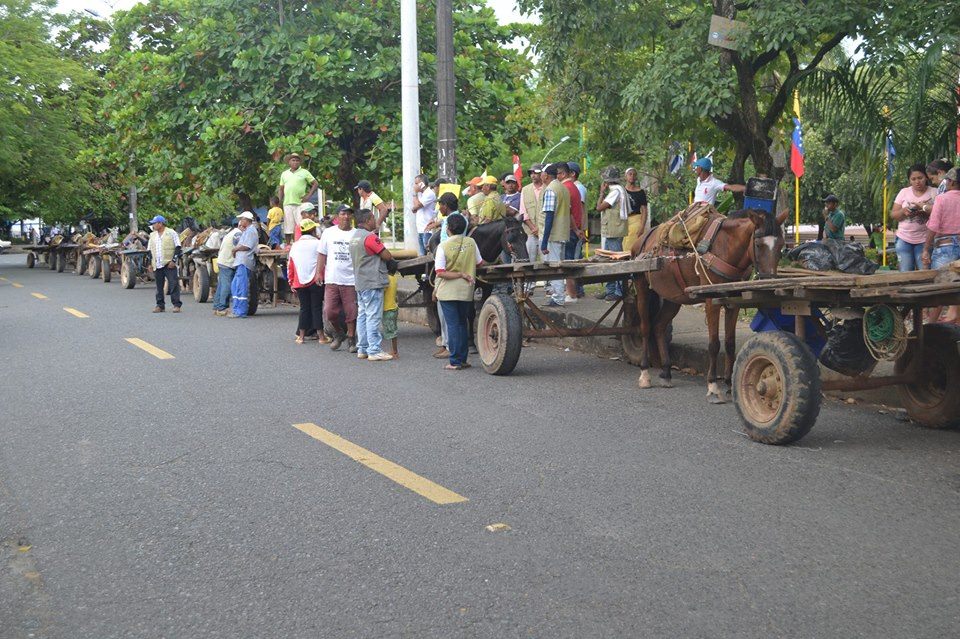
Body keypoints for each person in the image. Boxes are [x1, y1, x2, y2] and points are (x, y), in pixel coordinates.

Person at [435, 214, 484, 370]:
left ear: (448, 229)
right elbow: (480, 263)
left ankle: (455, 361)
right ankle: (462, 359)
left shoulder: (443, 246)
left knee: (453, 326)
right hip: (466, 291)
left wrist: (459, 274)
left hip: (447, 292)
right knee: (463, 324)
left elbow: (440, 272)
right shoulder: (471, 242)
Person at [424, 192, 468, 359]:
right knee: (458, 318)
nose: (439, 208)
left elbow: (443, 245)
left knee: (446, 313)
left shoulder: (452, 222)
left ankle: (450, 346)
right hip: (459, 266)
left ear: (446, 205)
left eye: (440, 205)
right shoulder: (459, 219)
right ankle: (452, 347)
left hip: (446, 266)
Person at [349, 209, 397, 361]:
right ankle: (374, 350)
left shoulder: (354, 237)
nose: (375, 221)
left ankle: (362, 348)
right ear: (368, 220)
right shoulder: (370, 237)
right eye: (373, 218)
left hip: (361, 282)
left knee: (362, 316)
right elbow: (386, 255)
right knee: (373, 316)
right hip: (372, 281)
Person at [922, 167, 960, 320]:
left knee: (939, 290)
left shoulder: (942, 199)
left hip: (945, 246)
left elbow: (933, 225)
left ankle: (930, 326)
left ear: (950, 182)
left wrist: (926, 249)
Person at [318, 204, 358, 351]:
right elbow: (322, 254)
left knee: (351, 311)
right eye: (343, 214)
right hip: (332, 279)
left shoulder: (356, 234)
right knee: (329, 311)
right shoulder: (328, 233)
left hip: (350, 279)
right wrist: (318, 273)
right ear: (337, 217)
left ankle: (351, 339)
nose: (346, 217)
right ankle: (339, 334)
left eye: (348, 214)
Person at [892, 164, 937, 272]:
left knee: (924, 272)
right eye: (913, 179)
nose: (917, 181)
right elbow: (893, 214)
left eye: (920, 178)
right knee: (905, 271)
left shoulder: (934, 192)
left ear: (926, 177)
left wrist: (925, 211)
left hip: (925, 240)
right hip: (904, 239)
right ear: (909, 180)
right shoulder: (904, 192)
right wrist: (904, 211)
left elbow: (940, 215)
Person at [288, 219, 327, 344]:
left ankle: (301, 336)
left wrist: (291, 282)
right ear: (313, 230)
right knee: (316, 308)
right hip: (317, 281)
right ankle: (321, 337)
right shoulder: (318, 243)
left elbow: (291, 265)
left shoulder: (295, 245)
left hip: (299, 282)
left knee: (304, 308)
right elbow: (324, 262)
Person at [595, 166, 631, 301]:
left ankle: (618, 290)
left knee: (616, 259)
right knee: (609, 258)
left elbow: (599, 207)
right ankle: (610, 289)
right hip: (613, 228)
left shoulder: (615, 191)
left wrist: (601, 193)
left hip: (614, 229)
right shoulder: (618, 189)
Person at [540, 163, 571, 307]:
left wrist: (544, 241)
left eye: (541, 173)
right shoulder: (563, 188)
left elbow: (549, 216)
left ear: (546, 175)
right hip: (563, 232)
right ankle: (558, 295)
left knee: (554, 267)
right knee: (559, 265)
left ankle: (558, 298)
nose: (540, 175)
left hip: (554, 234)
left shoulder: (551, 190)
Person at [277, 153, 319, 243]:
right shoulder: (284, 174)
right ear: (289, 162)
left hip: (300, 203)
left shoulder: (304, 172)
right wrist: (279, 202)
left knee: (302, 224)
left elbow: (315, 183)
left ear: (299, 162)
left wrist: (308, 196)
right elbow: (281, 189)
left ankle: (302, 242)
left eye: (297, 160)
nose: (295, 162)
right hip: (287, 203)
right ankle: (288, 245)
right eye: (293, 160)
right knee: (288, 226)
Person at [147, 215, 183, 313]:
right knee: (159, 286)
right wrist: (150, 263)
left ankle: (176, 305)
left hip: (169, 263)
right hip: (157, 263)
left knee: (173, 284)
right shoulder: (152, 235)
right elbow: (150, 250)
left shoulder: (171, 233)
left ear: (160, 223)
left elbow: (178, 247)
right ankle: (160, 305)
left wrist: (174, 260)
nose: (153, 225)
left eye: (154, 223)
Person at [229, 211, 259, 318]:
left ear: (246, 220)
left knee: (241, 286)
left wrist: (235, 249)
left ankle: (241, 311)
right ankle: (236, 309)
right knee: (235, 285)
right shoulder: (247, 231)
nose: (240, 221)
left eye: (242, 219)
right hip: (240, 261)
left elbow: (247, 246)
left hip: (244, 261)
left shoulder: (251, 231)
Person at [213, 224, 241, 316]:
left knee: (221, 285)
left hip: (222, 260)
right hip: (228, 262)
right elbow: (239, 247)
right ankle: (222, 308)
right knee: (227, 285)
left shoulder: (232, 232)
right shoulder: (238, 234)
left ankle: (217, 306)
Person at [519, 164, 545, 263]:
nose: (533, 175)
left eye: (536, 173)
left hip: (545, 232)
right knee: (529, 261)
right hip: (530, 232)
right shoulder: (525, 190)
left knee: (546, 261)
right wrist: (533, 228)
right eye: (531, 173)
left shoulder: (547, 188)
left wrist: (540, 229)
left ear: (542, 174)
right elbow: (523, 212)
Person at [623, 167, 649, 253]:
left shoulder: (640, 192)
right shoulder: (622, 191)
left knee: (632, 246)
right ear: (625, 176)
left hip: (636, 220)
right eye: (630, 174)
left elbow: (644, 210)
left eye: (634, 174)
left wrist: (642, 227)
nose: (632, 176)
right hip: (623, 221)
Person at [412, 174, 437, 255]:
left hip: (427, 229)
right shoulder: (421, 194)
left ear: (422, 184)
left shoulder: (429, 194)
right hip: (420, 229)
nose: (415, 186)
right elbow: (415, 209)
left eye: (416, 183)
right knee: (422, 255)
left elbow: (416, 206)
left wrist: (414, 193)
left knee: (427, 254)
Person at [382, 271, 400, 359]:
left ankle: (395, 351)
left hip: (387, 308)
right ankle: (394, 350)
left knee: (391, 331)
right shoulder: (393, 278)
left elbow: (383, 291)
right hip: (393, 307)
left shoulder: (386, 279)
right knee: (393, 329)